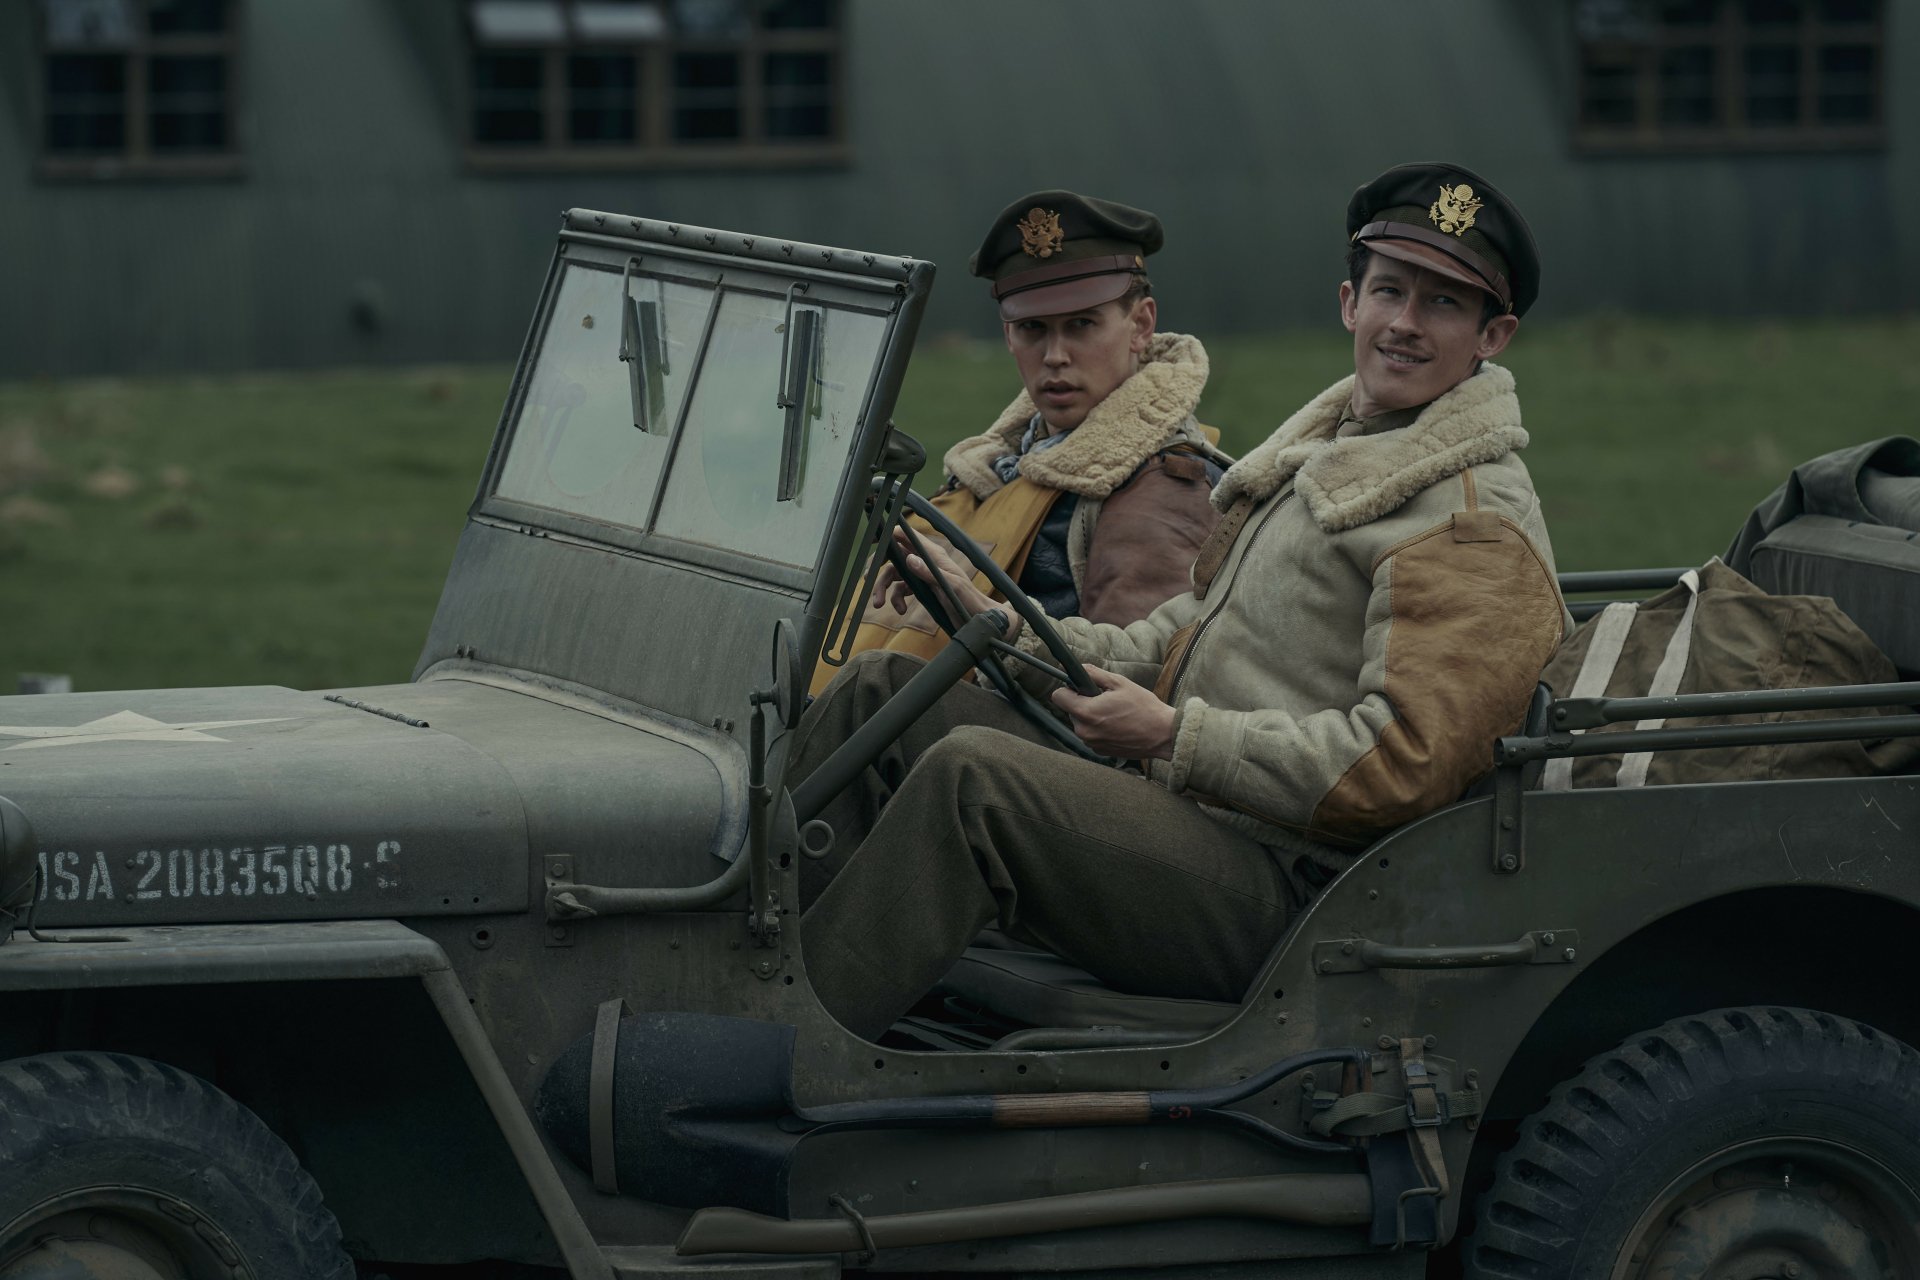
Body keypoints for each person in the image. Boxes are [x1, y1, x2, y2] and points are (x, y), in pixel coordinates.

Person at [790, 163, 1572, 1042]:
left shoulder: (1469, 524)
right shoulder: (1330, 459)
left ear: (1492, 336)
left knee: (975, 778)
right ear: (1350, 303)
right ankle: (717, 942)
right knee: (879, 694)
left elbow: (1402, 767)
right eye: (1390, 291)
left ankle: (781, 1046)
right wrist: (997, 621)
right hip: (1206, 822)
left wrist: (1177, 737)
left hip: (1306, 890)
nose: (1404, 324)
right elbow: (1184, 632)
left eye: (1443, 305)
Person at [810, 191, 1225, 696]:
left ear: (1140, 325)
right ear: (1009, 335)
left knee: (873, 686)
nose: (1054, 355)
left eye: (1082, 325)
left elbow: (1130, 686)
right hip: (911, 718)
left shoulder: (1163, 484)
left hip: (1010, 745)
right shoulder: (998, 465)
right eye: (1032, 328)